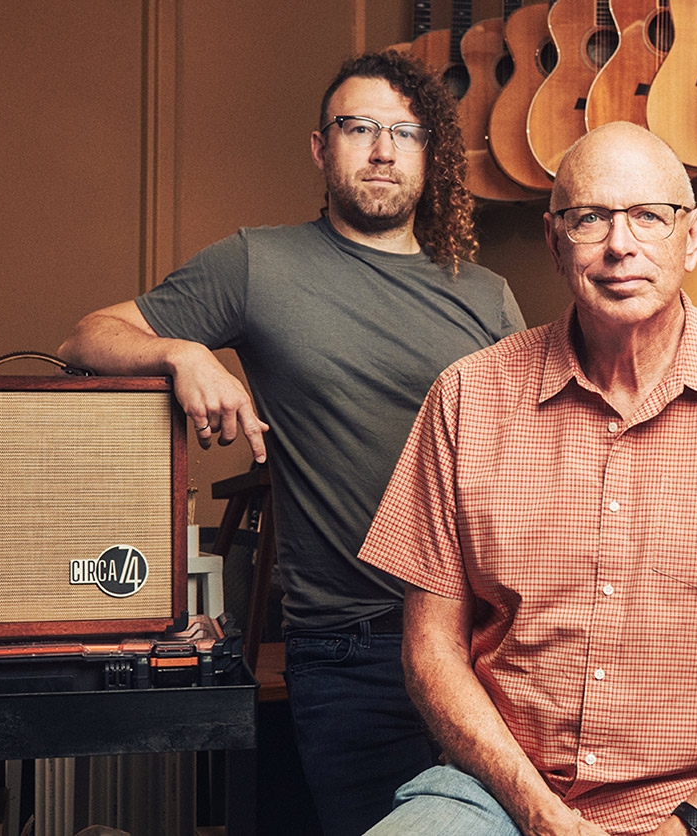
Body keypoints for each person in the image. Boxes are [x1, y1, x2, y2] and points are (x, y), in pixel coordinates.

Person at [355, 122, 697, 836]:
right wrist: (537, 813)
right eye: (591, 218)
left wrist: (696, 820)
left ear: (693, 236)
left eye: (650, 216)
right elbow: (430, 653)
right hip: (506, 791)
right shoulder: (466, 398)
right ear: (554, 240)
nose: (620, 245)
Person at [57, 51, 524, 836]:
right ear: (320, 148)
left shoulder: (485, 296)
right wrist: (184, 353)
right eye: (360, 127)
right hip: (354, 654)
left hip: (492, 646)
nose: (382, 150)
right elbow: (87, 338)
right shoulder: (257, 265)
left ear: (429, 154)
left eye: (404, 133)